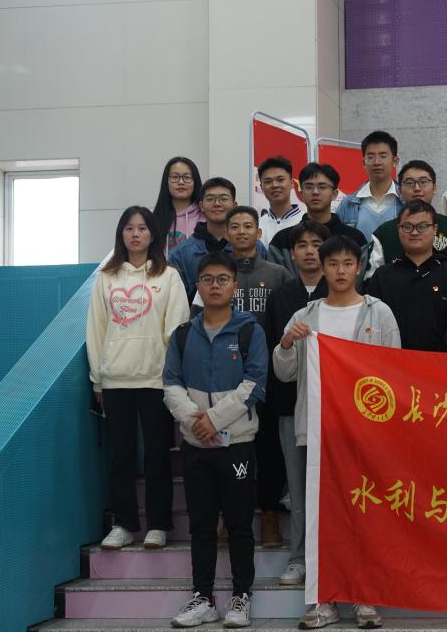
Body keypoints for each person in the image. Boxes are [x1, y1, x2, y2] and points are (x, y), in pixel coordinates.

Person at [273, 234, 399, 630]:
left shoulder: (379, 313)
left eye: (347, 263)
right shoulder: (305, 316)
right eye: (333, 264)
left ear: (359, 267)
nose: (340, 271)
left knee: (365, 515)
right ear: (321, 269)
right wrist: (286, 344)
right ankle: (323, 600)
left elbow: (394, 371)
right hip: (317, 430)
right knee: (321, 516)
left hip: (364, 431)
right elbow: (284, 373)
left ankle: (365, 597)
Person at [163, 252, 268, 629]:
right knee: (201, 526)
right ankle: (203, 598)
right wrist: (196, 422)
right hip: (196, 445)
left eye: (222, 279)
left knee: (239, 525)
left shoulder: (250, 331)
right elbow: (170, 384)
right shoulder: (183, 334)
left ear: (234, 286)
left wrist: (214, 419)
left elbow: (254, 384)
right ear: (198, 286)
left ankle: (241, 596)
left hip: (237, 443)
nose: (215, 286)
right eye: (207, 279)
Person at [87, 207, 190, 551]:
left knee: (158, 454)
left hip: (156, 380)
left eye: (142, 228)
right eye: (129, 228)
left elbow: (177, 328)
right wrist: (97, 379)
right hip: (115, 380)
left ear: (153, 234)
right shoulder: (106, 277)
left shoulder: (168, 276)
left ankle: (158, 525)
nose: (135, 234)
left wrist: (172, 377)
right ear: (121, 234)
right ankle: (124, 524)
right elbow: (97, 329)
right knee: (121, 456)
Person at [191, 206, 291, 547]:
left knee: (269, 451)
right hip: (222, 381)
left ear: (258, 233)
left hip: (267, 378)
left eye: (249, 226)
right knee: (226, 452)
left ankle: (269, 516)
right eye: (235, 226)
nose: (242, 231)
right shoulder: (215, 275)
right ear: (227, 233)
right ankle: (229, 516)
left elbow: (285, 326)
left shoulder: (277, 274)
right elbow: (197, 324)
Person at [261, 222, 329, 597]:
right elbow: (275, 348)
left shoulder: (340, 293)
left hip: (335, 406)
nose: (309, 251)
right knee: (299, 486)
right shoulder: (281, 296)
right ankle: (299, 556)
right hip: (291, 403)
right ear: (292, 253)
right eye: (301, 245)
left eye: (316, 244)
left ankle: (332, 557)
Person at [367, 201, 447, 352]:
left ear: (435, 229)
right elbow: (373, 325)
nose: (414, 232)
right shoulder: (382, 276)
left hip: (442, 362)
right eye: (407, 226)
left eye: (422, 226)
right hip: (392, 360)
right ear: (398, 229)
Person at [365, 159, 447, 280]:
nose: (417, 188)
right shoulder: (383, 233)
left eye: (423, 182)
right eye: (409, 183)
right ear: (399, 190)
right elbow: (371, 281)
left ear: (435, 188)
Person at [170, 177, 267, 300]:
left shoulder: (255, 247)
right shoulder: (182, 253)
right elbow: (177, 300)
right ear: (201, 206)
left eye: (224, 199)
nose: (217, 204)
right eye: (210, 199)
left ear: (234, 205)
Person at [268, 163, 366, 276]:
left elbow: (358, 281)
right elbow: (277, 281)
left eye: (322, 187)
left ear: (335, 194)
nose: (315, 192)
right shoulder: (282, 240)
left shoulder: (355, 239)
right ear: (301, 194)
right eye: (309, 187)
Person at [335, 130, 405, 240]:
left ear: (395, 161)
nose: (377, 162)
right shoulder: (348, 204)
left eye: (383, 156)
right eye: (370, 157)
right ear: (364, 163)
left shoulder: (406, 201)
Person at [152, 156, 205, 253]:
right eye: (175, 177)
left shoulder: (205, 217)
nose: (181, 182)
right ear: (166, 181)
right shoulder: (154, 219)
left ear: (195, 181)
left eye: (187, 177)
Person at [257, 156, 304, 246]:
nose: (275, 185)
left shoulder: (306, 221)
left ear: (292, 183)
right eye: (268, 181)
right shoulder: (257, 225)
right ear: (261, 187)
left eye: (280, 180)